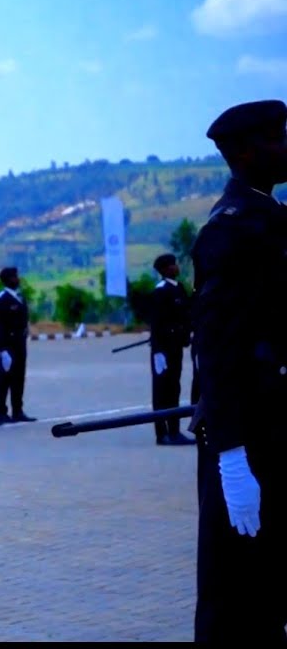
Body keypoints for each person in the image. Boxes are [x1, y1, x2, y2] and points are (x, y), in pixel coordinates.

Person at [189, 98, 287, 641]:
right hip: (250, 441)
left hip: (277, 430)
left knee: (270, 592)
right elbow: (217, 349)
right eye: (280, 138)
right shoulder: (231, 230)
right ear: (249, 152)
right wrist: (230, 456)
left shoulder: (269, 218)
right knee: (236, 601)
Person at [149, 254, 196, 446]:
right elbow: (157, 324)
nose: (177, 267)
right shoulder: (161, 291)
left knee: (174, 389)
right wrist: (158, 351)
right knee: (162, 391)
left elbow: (185, 315)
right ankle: (162, 434)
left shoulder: (178, 289)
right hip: (163, 350)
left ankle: (174, 431)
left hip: (176, 347)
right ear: (165, 269)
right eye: (173, 265)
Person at [0, 268, 35, 423]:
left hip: (20, 343)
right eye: (14, 277)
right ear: (8, 279)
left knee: (19, 377)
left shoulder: (20, 297)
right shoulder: (0, 299)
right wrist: (2, 349)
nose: (17, 279)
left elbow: (24, 320)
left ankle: (18, 410)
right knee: (5, 379)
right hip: (8, 344)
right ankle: (2, 412)